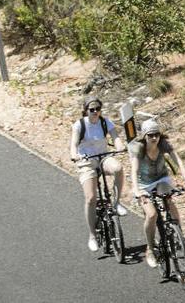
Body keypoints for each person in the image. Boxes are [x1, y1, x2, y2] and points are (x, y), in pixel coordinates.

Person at [129, 119, 185, 268]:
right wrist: (137, 190)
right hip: (144, 184)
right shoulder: (139, 148)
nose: (154, 138)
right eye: (150, 135)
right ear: (144, 136)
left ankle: (179, 236)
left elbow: (179, 162)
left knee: (169, 201)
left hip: (161, 179)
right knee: (151, 214)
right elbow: (134, 170)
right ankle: (150, 249)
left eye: (156, 134)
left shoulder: (163, 144)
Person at [70, 95, 127, 252]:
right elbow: (73, 145)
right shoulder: (79, 125)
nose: (95, 112)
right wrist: (75, 155)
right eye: (92, 110)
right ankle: (92, 235)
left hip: (103, 157)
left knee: (118, 168)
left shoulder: (104, 122)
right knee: (91, 198)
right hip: (86, 162)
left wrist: (119, 145)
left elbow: (115, 137)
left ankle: (117, 203)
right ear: (86, 111)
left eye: (98, 109)